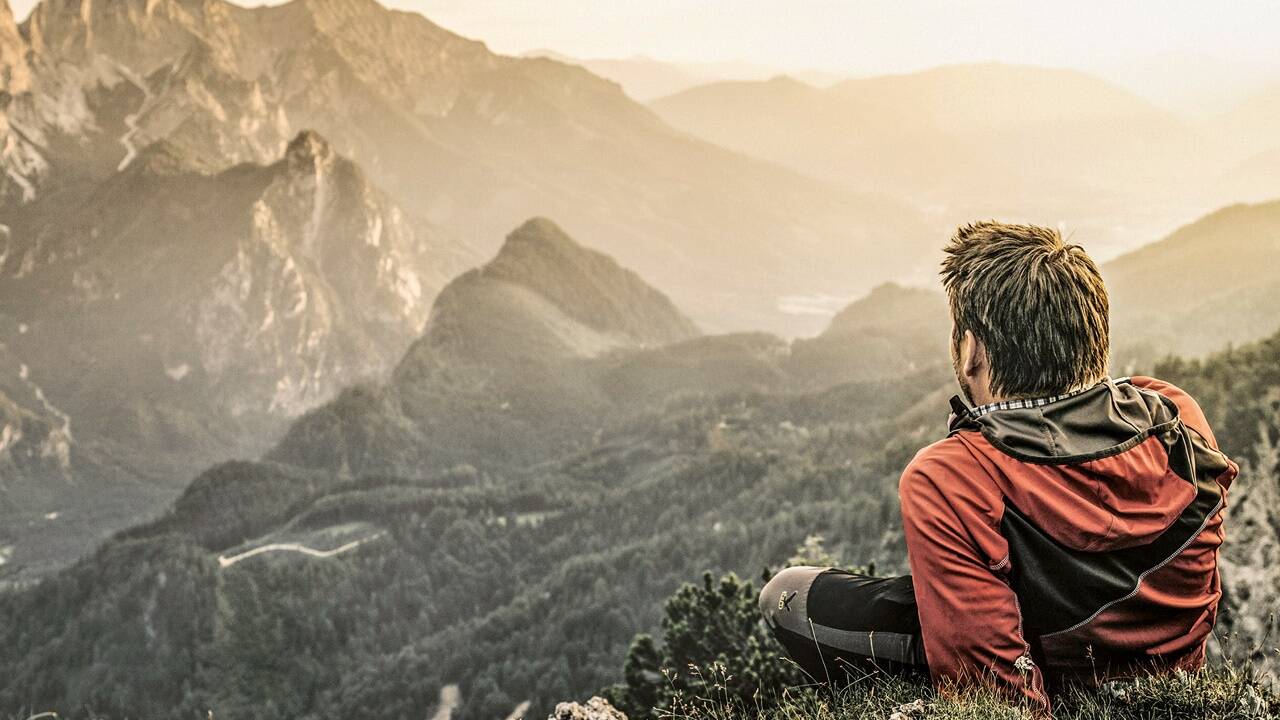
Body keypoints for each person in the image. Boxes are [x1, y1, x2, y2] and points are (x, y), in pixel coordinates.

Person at [759, 222, 1236, 715]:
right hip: (1163, 676)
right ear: (1093, 335)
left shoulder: (954, 477)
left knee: (787, 598)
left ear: (971, 351)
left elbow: (994, 698)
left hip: (1049, 666)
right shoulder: (1177, 415)